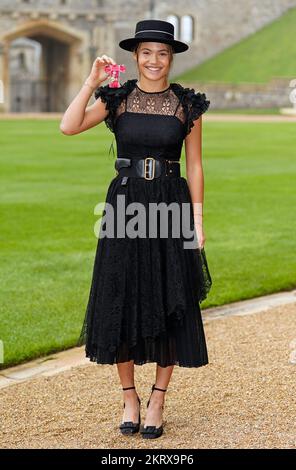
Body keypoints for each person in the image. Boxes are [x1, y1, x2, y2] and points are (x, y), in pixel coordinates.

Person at [60, 19, 212, 440]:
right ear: (135, 57)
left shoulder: (187, 105)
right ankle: (129, 398)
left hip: (171, 204)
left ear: (171, 57)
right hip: (124, 204)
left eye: (162, 53)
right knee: (120, 295)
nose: (154, 60)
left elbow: (196, 165)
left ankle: (158, 399)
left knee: (171, 295)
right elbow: (69, 126)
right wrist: (91, 80)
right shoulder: (118, 98)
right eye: (146, 52)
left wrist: (197, 220)